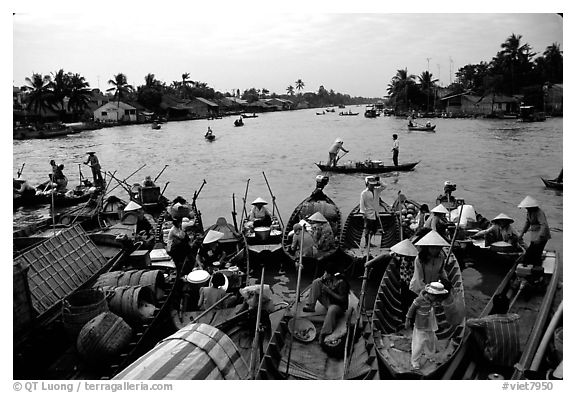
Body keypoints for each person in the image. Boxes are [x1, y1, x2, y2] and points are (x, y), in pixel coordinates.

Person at [466, 293, 521, 368]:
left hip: (494, 361)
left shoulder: (488, 320)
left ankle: (479, 361)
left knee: (474, 329)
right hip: (512, 360)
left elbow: (468, 322)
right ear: (508, 307)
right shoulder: (516, 317)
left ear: (494, 307)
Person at [302, 262, 350, 343]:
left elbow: (342, 299)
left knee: (332, 309)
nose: (324, 274)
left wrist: (329, 291)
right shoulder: (328, 278)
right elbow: (320, 282)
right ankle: (311, 306)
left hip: (338, 306)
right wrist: (322, 279)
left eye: (326, 272)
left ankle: (324, 333)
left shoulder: (341, 282)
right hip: (329, 301)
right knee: (316, 282)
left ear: (330, 274)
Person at [405, 281, 448, 370]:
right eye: (436, 296)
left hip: (430, 324)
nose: (437, 299)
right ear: (430, 294)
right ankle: (415, 361)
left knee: (431, 341)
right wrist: (407, 320)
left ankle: (430, 355)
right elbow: (411, 310)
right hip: (420, 326)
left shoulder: (434, 301)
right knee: (419, 344)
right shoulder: (419, 300)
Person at [410, 230, 450, 295]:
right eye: (432, 248)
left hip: (432, 289)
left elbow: (441, 271)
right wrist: (427, 291)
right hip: (417, 289)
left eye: (437, 248)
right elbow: (419, 278)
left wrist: (446, 281)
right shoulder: (420, 259)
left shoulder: (441, 257)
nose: (435, 250)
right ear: (427, 247)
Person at [518, 196, 551, 266]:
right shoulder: (529, 212)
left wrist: (539, 237)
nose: (526, 208)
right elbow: (527, 223)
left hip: (542, 234)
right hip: (534, 234)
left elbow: (544, 225)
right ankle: (529, 267)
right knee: (530, 253)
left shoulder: (539, 212)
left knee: (536, 253)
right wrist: (521, 234)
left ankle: (537, 268)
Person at [360, 175, 384, 248]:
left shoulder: (377, 190)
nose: (372, 186)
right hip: (368, 214)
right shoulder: (364, 193)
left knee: (374, 229)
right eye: (371, 184)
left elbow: (385, 186)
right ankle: (367, 243)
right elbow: (362, 204)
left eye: (373, 184)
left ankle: (370, 242)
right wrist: (363, 214)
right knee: (368, 229)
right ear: (367, 184)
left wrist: (379, 181)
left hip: (376, 213)